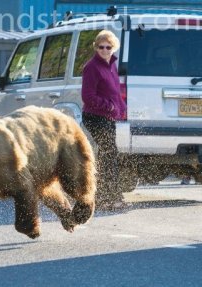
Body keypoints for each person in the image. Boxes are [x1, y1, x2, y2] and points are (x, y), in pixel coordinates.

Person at [81, 30, 127, 211]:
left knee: (109, 155)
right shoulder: (92, 67)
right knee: (109, 155)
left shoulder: (112, 64)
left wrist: (121, 107)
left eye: (108, 47)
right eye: (101, 47)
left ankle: (105, 197)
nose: (105, 50)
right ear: (96, 47)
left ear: (113, 47)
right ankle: (109, 198)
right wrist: (109, 106)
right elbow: (87, 96)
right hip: (94, 116)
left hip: (108, 117)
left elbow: (115, 90)